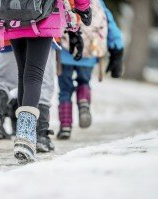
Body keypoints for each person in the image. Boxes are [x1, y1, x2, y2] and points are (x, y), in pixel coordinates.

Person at [0, 0, 91, 163]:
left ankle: (23, 135)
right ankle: (25, 136)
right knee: (34, 75)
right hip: (45, 14)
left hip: (11, 15)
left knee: (23, 73)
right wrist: (83, 7)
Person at [57, 0, 124, 139]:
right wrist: (117, 48)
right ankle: (84, 103)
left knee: (65, 90)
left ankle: (65, 126)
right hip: (89, 54)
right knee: (84, 82)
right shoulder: (98, 2)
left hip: (65, 51)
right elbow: (111, 27)